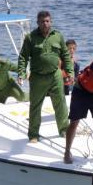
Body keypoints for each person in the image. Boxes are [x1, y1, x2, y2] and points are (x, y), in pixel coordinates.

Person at [18, 10, 73, 142]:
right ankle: (33, 135)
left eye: (47, 21)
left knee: (60, 103)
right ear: (37, 23)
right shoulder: (30, 38)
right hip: (37, 77)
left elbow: (65, 55)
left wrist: (70, 72)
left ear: (51, 22)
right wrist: (21, 73)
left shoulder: (58, 36)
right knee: (35, 106)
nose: (45, 24)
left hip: (55, 75)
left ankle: (64, 130)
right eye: (42, 21)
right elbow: (23, 57)